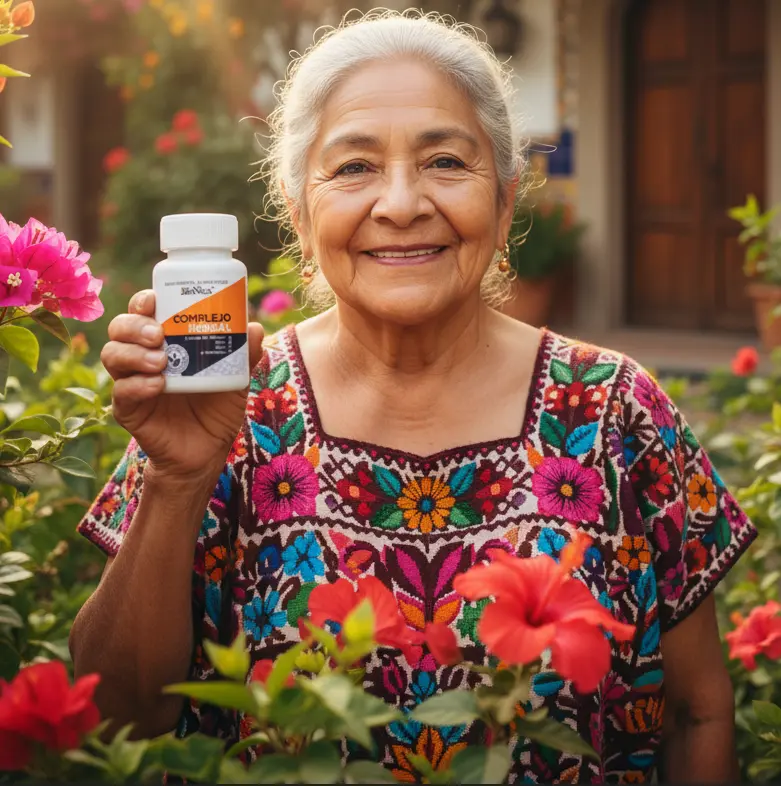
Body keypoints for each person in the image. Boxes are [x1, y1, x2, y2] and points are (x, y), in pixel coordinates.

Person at [69, 10, 756, 783]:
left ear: (502, 201)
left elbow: (696, 713)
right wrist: (176, 478)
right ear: (298, 210)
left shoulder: (614, 410)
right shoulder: (228, 403)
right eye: (354, 167)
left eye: (444, 162)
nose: (400, 203)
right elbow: (117, 712)